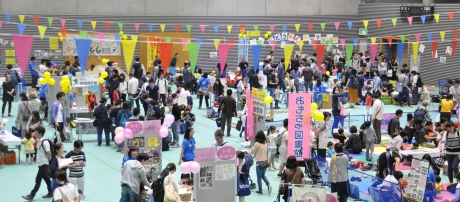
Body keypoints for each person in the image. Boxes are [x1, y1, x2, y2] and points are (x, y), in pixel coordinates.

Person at [22, 126, 53, 200]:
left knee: (38, 179)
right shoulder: (38, 140)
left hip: (44, 164)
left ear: (40, 133)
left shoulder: (45, 142)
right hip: (40, 163)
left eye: (35, 131)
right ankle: (51, 192)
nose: (33, 133)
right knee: (46, 179)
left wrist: (50, 163)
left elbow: (49, 153)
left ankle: (31, 195)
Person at [247, 130, 272, 194]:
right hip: (266, 161)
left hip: (259, 163)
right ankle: (268, 185)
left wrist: (246, 152)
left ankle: (260, 190)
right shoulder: (266, 143)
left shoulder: (257, 144)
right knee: (263, 175)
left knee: (259, 177)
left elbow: (252, 151)